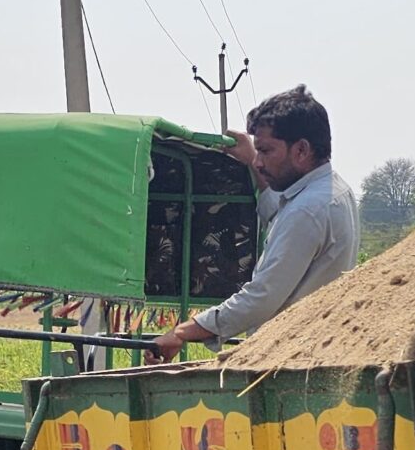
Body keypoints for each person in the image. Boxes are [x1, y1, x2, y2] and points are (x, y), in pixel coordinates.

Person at [149, 85, 360, 359]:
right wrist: (250, 158)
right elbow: (277, 208)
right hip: (313, 350)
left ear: (301, 150)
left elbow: (261, 297)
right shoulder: (331, 191)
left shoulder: (308, 210)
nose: (259, 163)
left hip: (290, 360)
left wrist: (181, 333)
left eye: (266, 151)